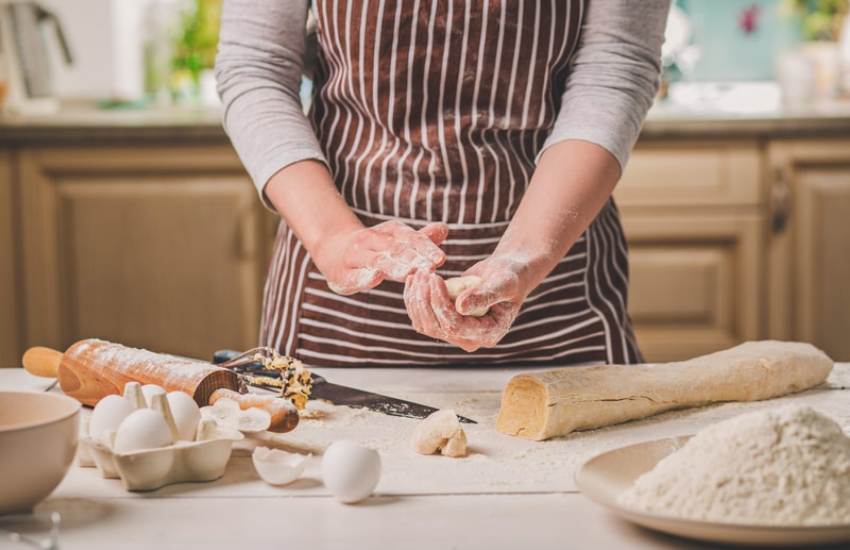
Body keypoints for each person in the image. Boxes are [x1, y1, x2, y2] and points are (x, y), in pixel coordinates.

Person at [216, 0, 670, 367]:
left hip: (556, 294)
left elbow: (615, 67)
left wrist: (525, 258)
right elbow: (257, 66)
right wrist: (335, 238)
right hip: (338, 305)